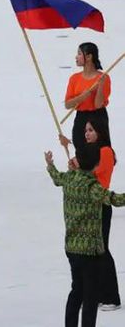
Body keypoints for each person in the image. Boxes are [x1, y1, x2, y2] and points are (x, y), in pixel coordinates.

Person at [46, 139, 125, 327]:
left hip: (72, 248)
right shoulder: (92, 187)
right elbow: (115, 199)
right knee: (90, 297)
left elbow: (57, 177)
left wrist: (50, 164)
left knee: (76, 291)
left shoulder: (69, 179)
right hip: (90, 250)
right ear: (96, 164)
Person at [61, 117, 120, 312]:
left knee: (102, 249)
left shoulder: (105, 152)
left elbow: (91, 171)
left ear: (100, 132)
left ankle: (111, 296)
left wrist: (77, 164)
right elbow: (82, 167)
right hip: (90, 206)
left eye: (91, 130)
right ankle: (98, 293)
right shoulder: (90, 152)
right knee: (94, 252)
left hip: (101, 203)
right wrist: (69, 148)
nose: (87, 133)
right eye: (86, 130)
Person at [64, 43, 110, 150]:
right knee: (81, 149)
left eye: (79, 54)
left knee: (99, 151)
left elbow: (98, 105)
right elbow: (67, 104)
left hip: (98, 117)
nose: (76, 57)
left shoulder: (103, 77)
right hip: (81, 117)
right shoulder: (74, 78)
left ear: (89, 57)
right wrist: (81, 97)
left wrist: (101, 86)